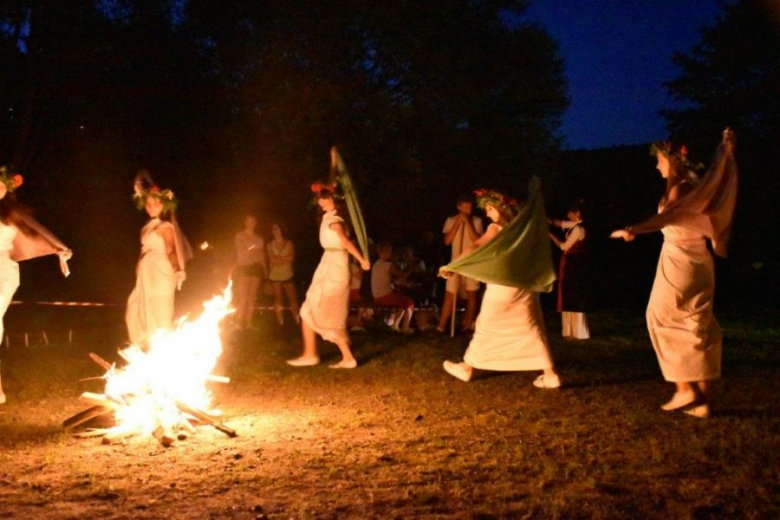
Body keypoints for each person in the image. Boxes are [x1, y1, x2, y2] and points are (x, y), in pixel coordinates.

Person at [611, 128, 738, 418]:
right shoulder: (694, 186)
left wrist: (633, 230)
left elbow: (667, 218)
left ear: (673, 160)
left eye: (659, 159)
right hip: (698, 262)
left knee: (661, 317)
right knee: (694, 325)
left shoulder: (680, 189)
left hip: (680, 261)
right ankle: (703, 402)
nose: (657, 165)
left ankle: (684, 389)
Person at [442, 188, 561, 388]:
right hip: (524, 286)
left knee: (485, 324)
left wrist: (453, 266)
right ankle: (550, 375)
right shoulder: (523, 229)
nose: (487, 213)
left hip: (503, 285)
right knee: (531, 327)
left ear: (500, 208)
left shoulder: (496, 228)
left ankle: (466, 367)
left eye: (490, 209)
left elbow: (475, 246)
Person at [0, 168, 72, 405]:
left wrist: (57, 247)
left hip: (4, 271)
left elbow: (34, 236)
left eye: (3, 184)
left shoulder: (12, 215)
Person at [287, 187, 370, 369]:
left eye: (324, 199)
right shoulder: (328, 217)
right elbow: (332, 181)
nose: (320, 202)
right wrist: (333, 160)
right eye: (319, 199)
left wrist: (362, 260)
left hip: (335, 270)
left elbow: (346, 242)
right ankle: (311, 354)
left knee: (325, 314)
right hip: (328, 265)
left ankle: (344, 358)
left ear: (334, 200)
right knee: (309, 308)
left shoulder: (334, 221)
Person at [126, 171, 192, 349]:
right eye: (148, 204)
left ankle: (166, 348)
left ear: (163, 205)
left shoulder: (165, 227)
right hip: (147, 271)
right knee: (136, 305)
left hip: (161, 270)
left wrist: (178, 270)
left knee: (161, 308)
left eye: (155, 204)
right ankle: (147, 344)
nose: (151, 207)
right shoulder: (148, 227)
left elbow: (170, 250)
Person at [437, 194, 483, 333]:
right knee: (450, 294)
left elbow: (477, 241)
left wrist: (467, 222)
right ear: (458, 207)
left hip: (471, 263)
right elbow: (447, 241)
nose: (466, 211)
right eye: (464, 208)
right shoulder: (451, 220)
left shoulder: (477, 221)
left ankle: (467, 324)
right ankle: (441, 326)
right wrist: (458, 222)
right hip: (456, 263)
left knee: (471, 294)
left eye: (469, 208)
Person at [549, 199, 590, 339]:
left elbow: (564, 246)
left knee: (574, 294)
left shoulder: (579, 229)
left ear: (577, 213)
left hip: (574, 264)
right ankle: (569, 330)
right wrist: (545, 219)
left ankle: (578, 331)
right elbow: (559, 223)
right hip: (569, 263)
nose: (568, 214)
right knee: (567, 294)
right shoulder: (575, 225)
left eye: (571, 212)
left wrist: (550, 235)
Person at [371, 241, 414, 334]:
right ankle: (404, 328)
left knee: (402, 301)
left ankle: (395, 325)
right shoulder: (387, 265)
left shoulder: (376, 264)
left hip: (376, 296)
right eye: (390, 252)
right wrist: (411, 268)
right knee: (409, 302)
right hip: (385, 296)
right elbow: (401, 274)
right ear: (385, 252)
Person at [233, 214, 267, 330]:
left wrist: (265, 269)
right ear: (245, 222)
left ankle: (249, 323)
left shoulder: (259, 238)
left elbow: (261, 254)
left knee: (252, 297)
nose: (250, 223)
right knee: (243, 296)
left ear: (255, 223)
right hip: (244, 267)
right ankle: (239, 322)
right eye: (248, 221)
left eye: (253, 221)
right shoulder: (240, 236)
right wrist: (254, 250)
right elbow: (242, 251)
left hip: (256, 267)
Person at [268, 221, 300, 326]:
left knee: (293, 299)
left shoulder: (289, 243)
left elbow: (291, 258)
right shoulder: (269, 245)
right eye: (273, 228)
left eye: (277, 227)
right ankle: (280, 323)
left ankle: (297, 320)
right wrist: (283, 259)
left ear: (281, 229)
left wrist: (279, 259)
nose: (275, 230)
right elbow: (272, 260)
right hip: (275, 275)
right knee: (278, 300)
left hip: (287, 274)